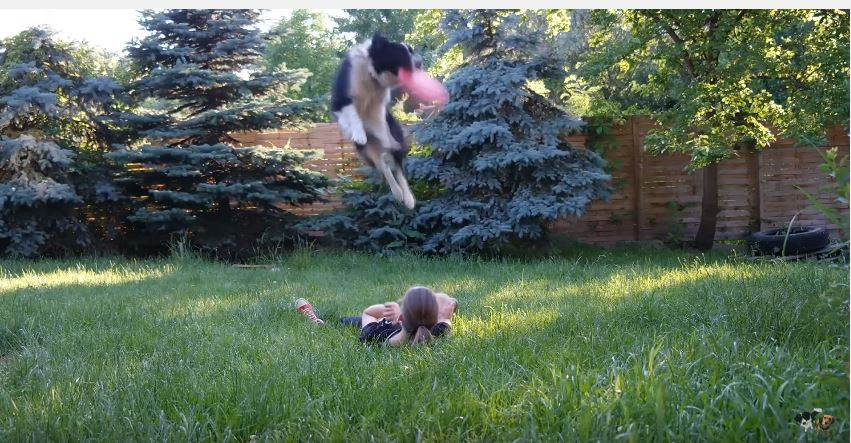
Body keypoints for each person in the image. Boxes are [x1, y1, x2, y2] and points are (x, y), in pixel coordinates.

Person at [295, 286, 458, 347]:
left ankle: (317, 321)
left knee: (347, 321)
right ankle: (406, 329)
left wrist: (385, 310)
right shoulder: (438, 329)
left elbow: (369, 312)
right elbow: (444, 320)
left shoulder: (374, 329)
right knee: (350, 322)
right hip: (396, 328)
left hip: (378, 331)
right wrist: (445, 317)